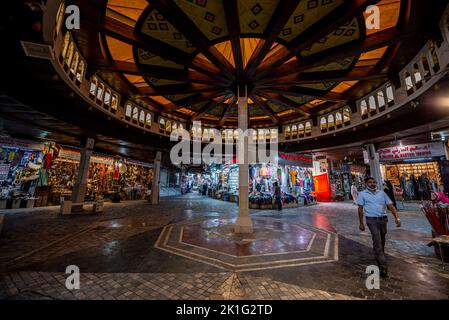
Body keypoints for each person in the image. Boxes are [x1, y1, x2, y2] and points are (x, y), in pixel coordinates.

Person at [357, 177, 401, 277]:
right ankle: (383, 265)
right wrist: (361, 223)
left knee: (382, 240)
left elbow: (391, 206)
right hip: (371, 220)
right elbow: (360, 209)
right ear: (366, 184)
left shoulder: (382, 193)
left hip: (383, 219)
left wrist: (397, 218)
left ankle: (379, 254)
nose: (372, 184)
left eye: (374, 182)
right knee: (377, 240)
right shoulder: (362, 194)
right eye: (370, 182)